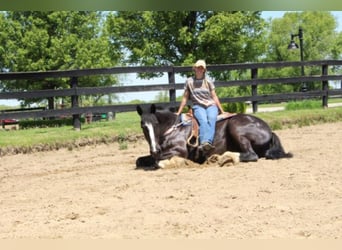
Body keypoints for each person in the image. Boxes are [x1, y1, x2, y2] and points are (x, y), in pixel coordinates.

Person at [176, 59, 230, 152]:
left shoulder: (208, 81)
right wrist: (179, 112)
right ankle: (205, 142)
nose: (200, 69)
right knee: (203, 120)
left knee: (211, 119)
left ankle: (206, 142)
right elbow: (185, 98)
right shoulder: (189, 81)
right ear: (195, 68)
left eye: (202, 68)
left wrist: (221, 110)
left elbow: (214, 96)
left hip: (211, 105)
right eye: (198, 67)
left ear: (204, 70)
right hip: (198, 106)